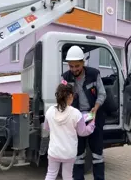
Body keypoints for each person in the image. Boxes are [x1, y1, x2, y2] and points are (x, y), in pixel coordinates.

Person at [61, 45, 107, 180]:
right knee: (78, 154)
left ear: (83, 62)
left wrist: (96, 107)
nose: (74, 69)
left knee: (97, 154)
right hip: (75, 118)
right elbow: (62, 97)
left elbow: (102, 94)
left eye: (77, 66)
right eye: (71, 66)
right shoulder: (65, 77)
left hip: (94, 116)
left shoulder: (94, 74)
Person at [44, 80, 96, 180]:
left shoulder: (50, 111)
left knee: (50, 174)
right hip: (69, 153)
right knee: (67, 176)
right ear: (71, 96)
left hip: (54, 151)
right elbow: (83, 132)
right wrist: (92, 122)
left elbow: (46, 127)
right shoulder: (76, 113)